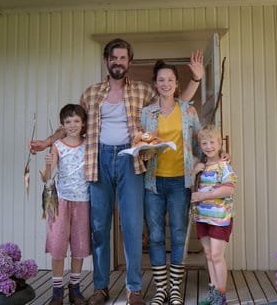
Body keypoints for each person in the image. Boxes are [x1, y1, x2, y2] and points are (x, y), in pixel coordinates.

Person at [30, 38, 203, 305]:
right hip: (98, 159)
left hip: (131, 160)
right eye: (114, 58)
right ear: (106, 60)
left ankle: (134, 288)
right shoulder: (90, 94)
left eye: (123, 58)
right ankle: (101, 287)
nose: (118, 62)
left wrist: (196, 80)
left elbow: (174, 103)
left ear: (129, 62)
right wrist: (47, 141)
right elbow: (72, 125)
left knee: (132, 225)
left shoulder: (144, 91)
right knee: (99, 227)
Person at [139, 60, 202, 305]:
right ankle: (160, 290)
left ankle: (175, 289)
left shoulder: (188, 111)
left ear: (177, 85)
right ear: (155, 84)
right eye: (161, 80)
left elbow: (199, 142)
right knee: (154, 236)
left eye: (170, 80)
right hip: (153, 182)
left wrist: (213, 158)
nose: (166, 84)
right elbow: (140, 144)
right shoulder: (146, 112)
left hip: (180, 182)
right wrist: (143, 150)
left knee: (177, 234)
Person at [39, 104, 90, 305]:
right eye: (68, 122)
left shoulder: (88, 144)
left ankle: (75, 288)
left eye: (76, 121)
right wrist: (48, 162)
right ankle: (57, 290)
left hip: (83, 201)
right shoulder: (58, 145)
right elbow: (46, 177)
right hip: (60, 201)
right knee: (58, 245)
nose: (72, 125)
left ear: (83, 123)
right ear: (62, 124)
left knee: (79, 245)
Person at [190, 125, 237, 305]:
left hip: (219, 218)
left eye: (212, 142)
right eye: (204, 143)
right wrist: (195, 171)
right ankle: (214, 292)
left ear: (219, 143)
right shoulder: (201, 166)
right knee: (209, 254)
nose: (208, 146)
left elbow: (228, 189)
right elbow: (191, 184)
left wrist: (204, 195)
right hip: (202, 217)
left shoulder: (223, 165)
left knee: (217, 256)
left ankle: (221, 295)